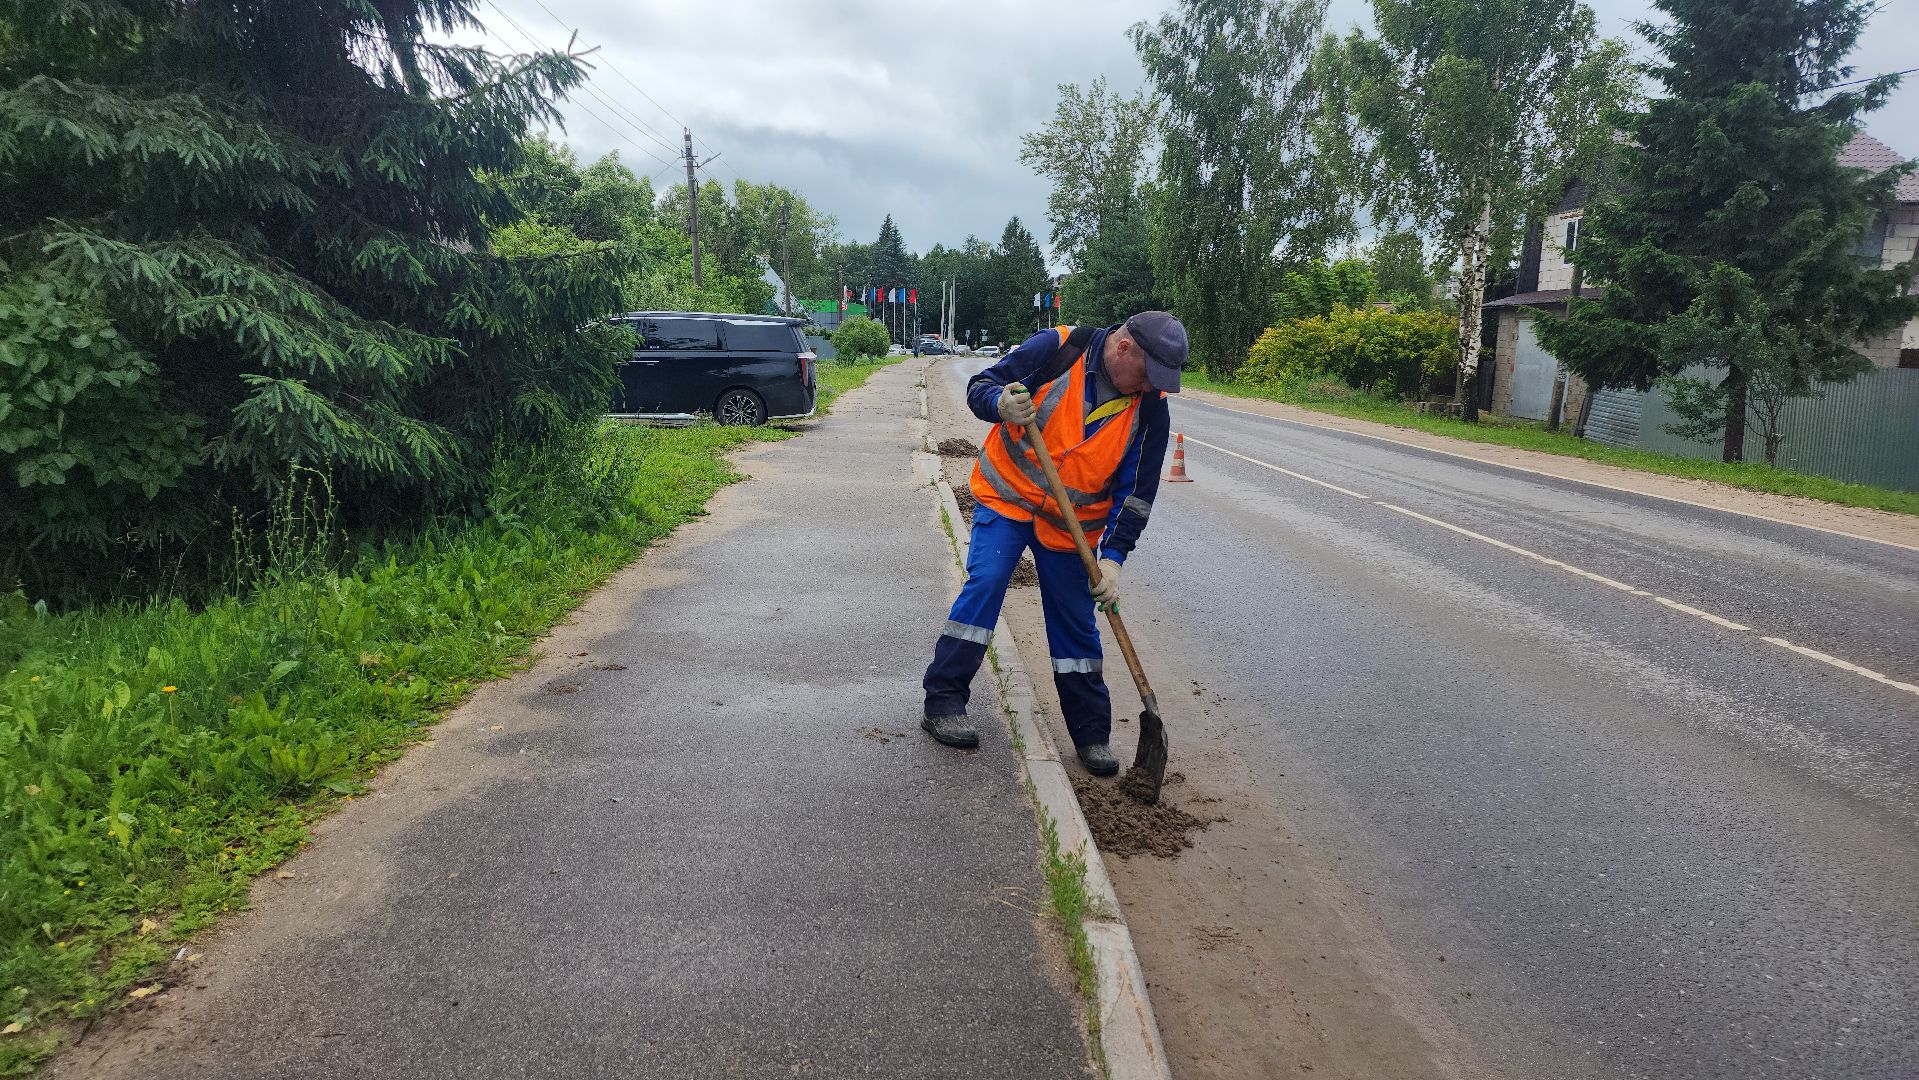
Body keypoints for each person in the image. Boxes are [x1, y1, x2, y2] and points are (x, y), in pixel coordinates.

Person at [921, 312, 1186, 776]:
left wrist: (1115, 561)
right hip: (1008, 499)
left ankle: (1091, 735)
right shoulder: (1059, 349)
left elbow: (1137, 495)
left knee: (1076, 627)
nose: (1149, 386)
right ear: (1124, 349)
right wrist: (999, 403)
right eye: (1147, 374)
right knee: (986, 584)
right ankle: (943, 701)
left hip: (1071, 528)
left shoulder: (1150, 409)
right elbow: (983, 385)